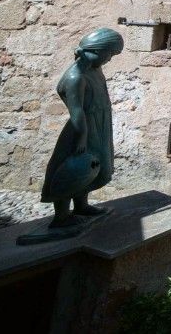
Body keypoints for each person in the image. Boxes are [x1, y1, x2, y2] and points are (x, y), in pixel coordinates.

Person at [38, 27, 124, 229]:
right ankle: (61, 217)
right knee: (72, 169)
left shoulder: (94, 70)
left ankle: (81, 205)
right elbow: (77, 112)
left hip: (98, 126)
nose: (109, 59)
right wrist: (81, 138)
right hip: (81, 129)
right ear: (95, 51)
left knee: (95, 167)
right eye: (109, 54)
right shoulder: (75, 78)